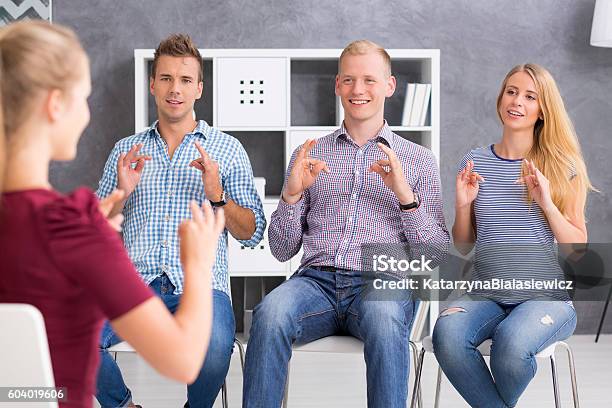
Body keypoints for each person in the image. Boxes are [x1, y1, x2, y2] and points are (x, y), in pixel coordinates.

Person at [0, 20, 224, 408]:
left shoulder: (74, 225)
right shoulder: (72, 225)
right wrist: (200, 264)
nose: (87, 114)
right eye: (83, 98)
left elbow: (18, 389)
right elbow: (185, 359)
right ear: (55, 104)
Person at [242, 40, 450, 408]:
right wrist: (290, 196)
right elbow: (281, 249)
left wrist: (405, 197)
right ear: (337, 85)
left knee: (386, 320)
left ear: (389, 86)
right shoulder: (309, 155)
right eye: (349, 80)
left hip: (381, 282)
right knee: (269, 314)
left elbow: (433, 257)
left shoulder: (418, 160)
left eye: (369, 80)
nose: (358, 90)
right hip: (315, 283)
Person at [95, 33, 266, 407]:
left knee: (217, 345)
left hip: (201, 284)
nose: (176, 89)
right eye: (167, 79)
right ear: (153, 84)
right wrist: (121, 192)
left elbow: (253, 233)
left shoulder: (227, 149)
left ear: (199, 88)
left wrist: (217, 195)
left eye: (186, 80)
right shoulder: (126, 150)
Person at [432, 63, 595, 408]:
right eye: (511, 91)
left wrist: (547, 204)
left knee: (511, 345)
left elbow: (577, 247)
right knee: (446, 335)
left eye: (529, 96)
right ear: (500, 97)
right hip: (485, 295)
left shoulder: (564, 166)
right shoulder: (474, 161)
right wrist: (463, 206)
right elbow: (463, 244)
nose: (517, 101)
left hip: (544, 299)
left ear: (542, 110)